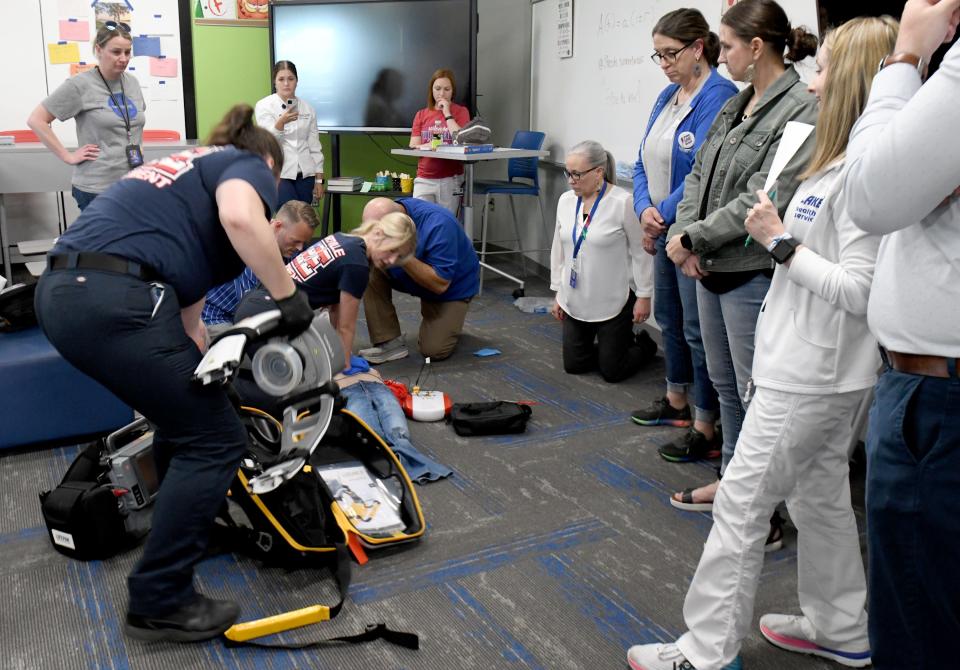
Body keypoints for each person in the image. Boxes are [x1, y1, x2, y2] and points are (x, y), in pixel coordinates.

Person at [626, 16, 897, 670]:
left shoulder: (862, 168)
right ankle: (841, 628)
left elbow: (860, 291)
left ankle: (705, 650)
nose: (816, 78)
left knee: (742, 505)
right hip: (808, 365)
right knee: (818, 496)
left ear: (856, 77)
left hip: (816, 373)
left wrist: (778, 242)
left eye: (827, 67)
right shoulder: (831, 154)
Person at [33, 104, 315, 642]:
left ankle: (188, 525)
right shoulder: (247, 160)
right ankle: (158, 600)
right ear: (269, 166)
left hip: (68, 293)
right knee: (215, 440)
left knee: (183, 416)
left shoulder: (184, 174)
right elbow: (240, 218)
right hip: (111, 298)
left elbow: (189, 311)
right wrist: (288, 294)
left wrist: (202, 356)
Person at [663, 0, 818, 512]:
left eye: (726, 45)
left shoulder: (800, 107)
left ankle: (761, 510)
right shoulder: (740, 101)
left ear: (756, 47)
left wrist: (691, 240)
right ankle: (732, 480)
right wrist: (686, 236)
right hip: (710, 265)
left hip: (750, 271)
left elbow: (762, 196)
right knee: (726, 385)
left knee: (757, 396)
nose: (719, 53)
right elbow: (698, 174)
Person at [842, 1, 960, 666]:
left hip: (937, 402)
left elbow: (872, 193)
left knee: (920, 627)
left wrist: (906, 55)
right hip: (928, 387)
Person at [630, 9, 736, 459]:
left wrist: (662, 214)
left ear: (698, 48)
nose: (665, 64)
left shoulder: (719, 95)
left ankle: (705, 424)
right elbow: (640, 160)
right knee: (669, 319)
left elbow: (699, 172)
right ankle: (676, 400)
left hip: (691, 232)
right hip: (661, 223)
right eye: (658, 55)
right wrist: (643, 209)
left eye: (672, 53)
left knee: (697, 329)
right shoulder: (666, 96)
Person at [236, 211, 418, 371]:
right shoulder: (357, 264)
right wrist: (344, 367)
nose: (392, 260)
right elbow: (346, 327)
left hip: (255, 306)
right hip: (266, 318)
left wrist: (338, 357)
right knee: (287, 390)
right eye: (392, 249)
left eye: (399, 256)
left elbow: (335, 310)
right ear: (378, 233)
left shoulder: (343, 239)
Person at [550, 140, 656, 383]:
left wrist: (644, 296)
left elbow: (642, 253)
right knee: (575, 366)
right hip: (576, 296)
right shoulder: (566, 201)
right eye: (568, 173)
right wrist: (558, 292)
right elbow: (559, 248)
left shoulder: (623, 203)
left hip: (613, 300)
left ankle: (643, 345)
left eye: (577, 174)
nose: (570, 180)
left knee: (612, 372)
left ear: (599, 172)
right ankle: (613, 346)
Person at [27, 21, 145, 211]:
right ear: (99, 49)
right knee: (105, 241)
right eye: (116, 52)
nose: (123, 58)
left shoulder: (132, 83)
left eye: (127, 52)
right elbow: (36, 119)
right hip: (97, 187)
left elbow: (135, 125)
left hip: (132, 183)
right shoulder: (79, 85)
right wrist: (68, 156)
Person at [357, 197, 479, 363]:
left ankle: (447, 320)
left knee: (433, 350)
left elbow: (440, 284)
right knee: (367, 266)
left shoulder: (439, 224)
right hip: (410, 277)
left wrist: (403, 255)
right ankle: (389, 341)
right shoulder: (384, 211)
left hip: (451, 288)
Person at [202, 200, 319, 333]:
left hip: (244, 310)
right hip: (218, 318)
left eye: (304, 242)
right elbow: (248, 311)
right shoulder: (253, 248)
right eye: (296, 241)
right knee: (248, 348)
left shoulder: (289, 249)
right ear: (278, 226)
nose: (300, 247)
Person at [255, 61, 325, 208]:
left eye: (291, 79)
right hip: (280, 174)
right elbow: (268, 143)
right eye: (281, 79)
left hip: (305, 175)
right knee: (287, 221)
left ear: (297, 81)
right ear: (275, 82)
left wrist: (319, 180)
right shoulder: (264, 106)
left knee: (305, 222)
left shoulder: (308, 108)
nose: (286, 83)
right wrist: (280, 124)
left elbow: (314, 146)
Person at [408, 68, 471, 214]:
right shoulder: (421, 114)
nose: (441, 94)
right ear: (432, 90)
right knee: (419, 221)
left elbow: (461, 140)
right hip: (424, 178)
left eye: (446, 89)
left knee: (447, 224)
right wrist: (428, 145)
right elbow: (413, 145)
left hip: (451, 179)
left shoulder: (461, 112)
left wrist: (447, 113)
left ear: (452, 91)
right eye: (437, 89)